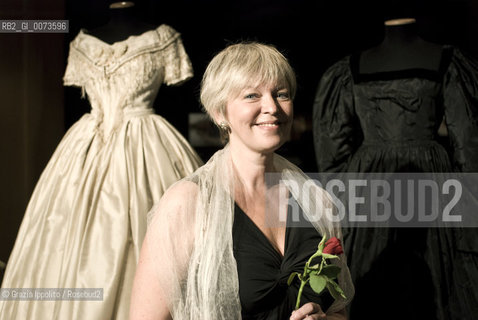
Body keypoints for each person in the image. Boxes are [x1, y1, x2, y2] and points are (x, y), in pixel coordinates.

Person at [0, 2, 202, 319]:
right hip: (86, 146)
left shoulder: (162, 39)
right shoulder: (82, 44)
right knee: (61, 234)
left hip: (145, 144)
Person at [129, 42, 354, 320]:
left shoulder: (317, 201)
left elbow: (339, 312)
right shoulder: (188, 203)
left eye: (281, 94)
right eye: (251, 95)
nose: (272, 107)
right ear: (220, 113)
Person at [313, 16, 478, 320]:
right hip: (430, 177)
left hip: (374, 179)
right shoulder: (445, 61)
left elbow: (332, 150)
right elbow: (468, 143)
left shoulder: (352, 68)